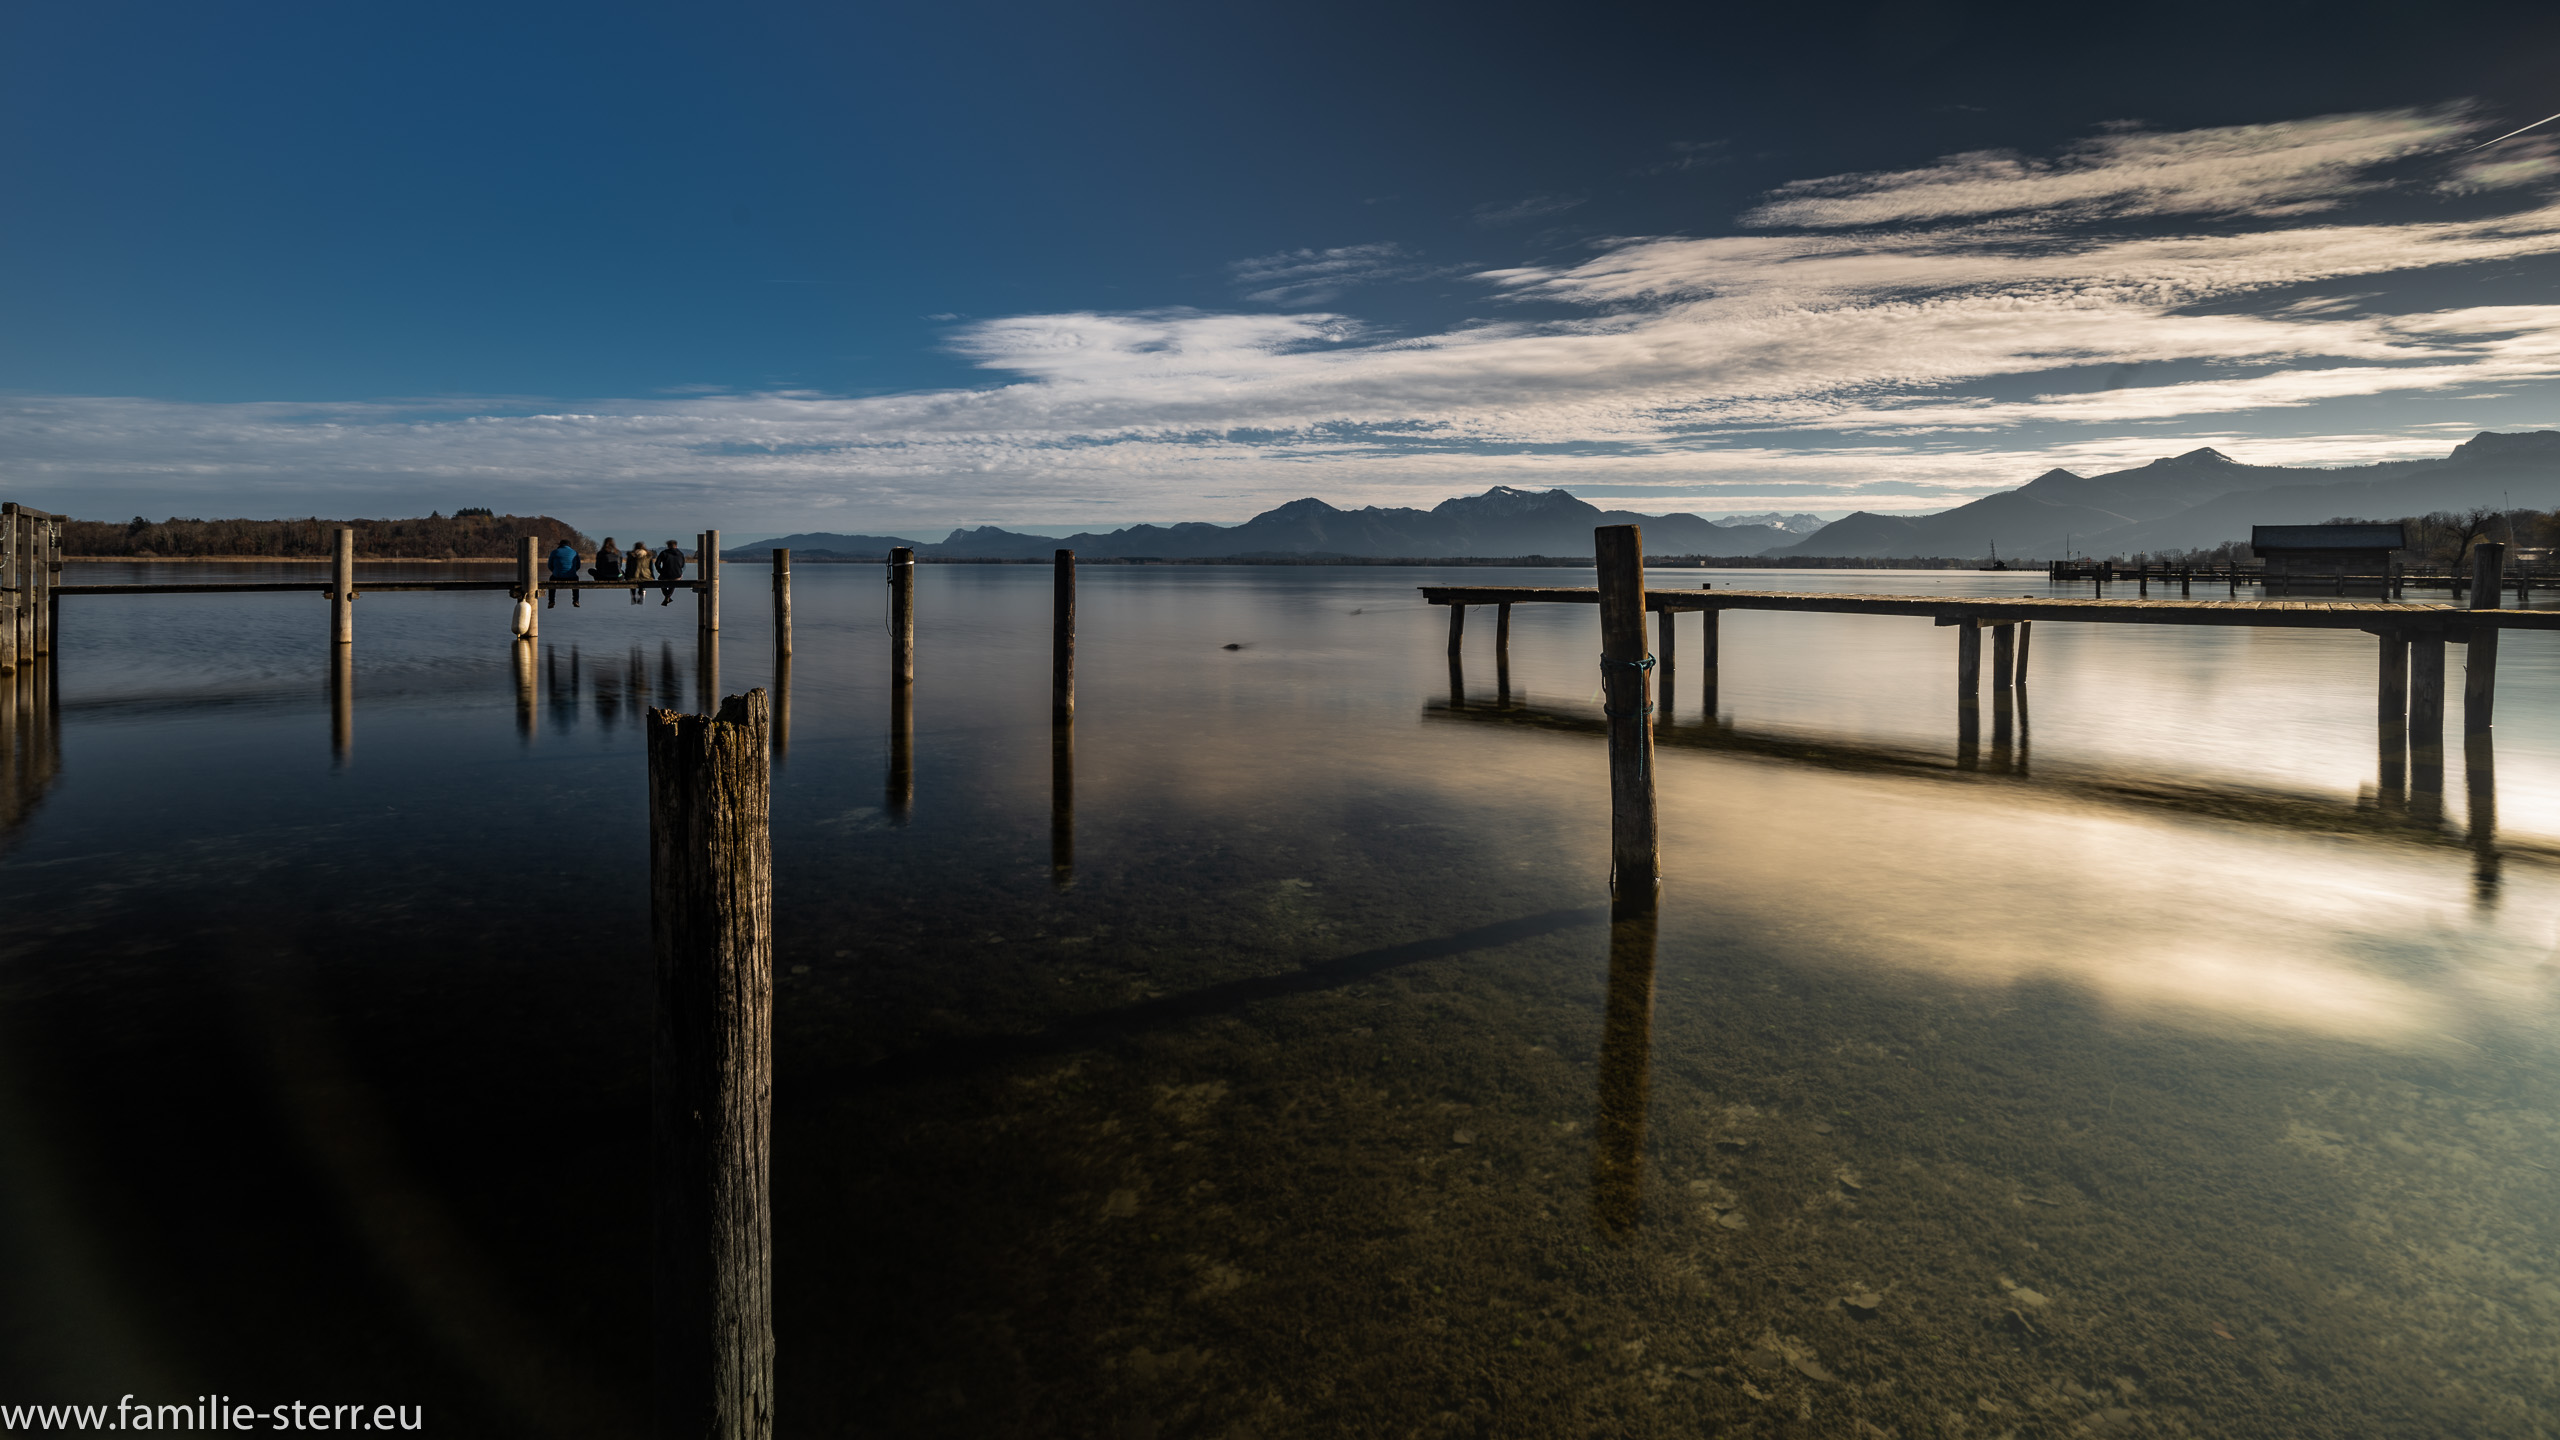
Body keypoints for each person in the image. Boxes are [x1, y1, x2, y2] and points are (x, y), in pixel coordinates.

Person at [547, 537, 580, 608]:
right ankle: (576, 600)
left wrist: (556, 572)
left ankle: (551, 601)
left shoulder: (554, 552)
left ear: (560, 545)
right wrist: (571, 572)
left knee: (551, 580)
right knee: (576, 580)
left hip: (557, 576)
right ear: (569, 545)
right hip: (571, 577)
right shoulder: (574, 552)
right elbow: (578, 566)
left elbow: (550, 565)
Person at [655, 540, 686, 604]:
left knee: (660, 580)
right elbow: (682, 565)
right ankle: (667, 597)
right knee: (674, 581)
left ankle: (667, 596)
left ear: (668, 546)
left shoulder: (663, 553)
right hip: (677, 575)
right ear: (676, 546)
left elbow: (657, 564)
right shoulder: (680, 554)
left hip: (665, 575)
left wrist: (660, 571)